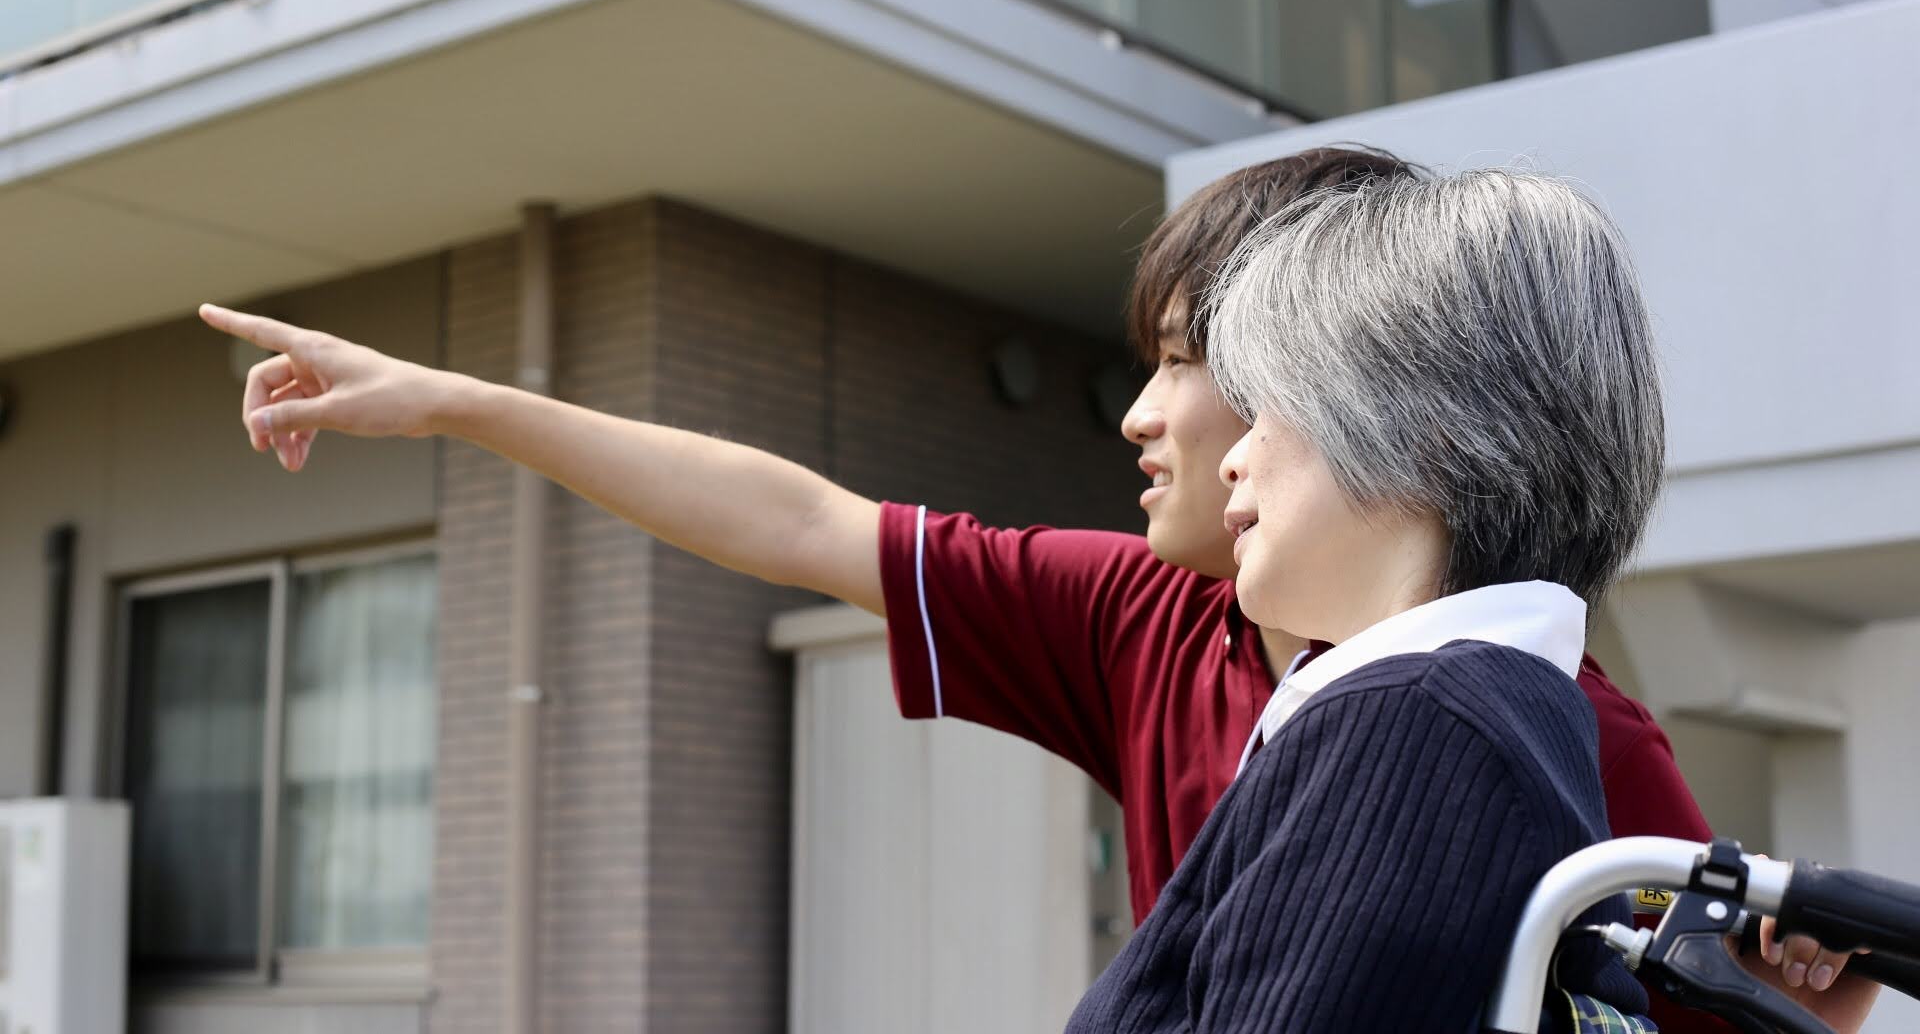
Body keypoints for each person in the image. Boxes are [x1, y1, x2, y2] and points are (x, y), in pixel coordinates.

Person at [197, 149, 1855, 1026]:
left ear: (1387, 402)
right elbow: (792, 518)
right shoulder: (1164, 620)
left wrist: (1784, 994)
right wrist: (458, 403)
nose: (1146, 416)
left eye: (1204, 367)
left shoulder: (1512, 735)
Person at [1063, 166, 1876, 1033]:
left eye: (1270, 408)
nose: (1236, 457)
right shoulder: (1494, 714)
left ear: (1428, 429)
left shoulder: (1411, 726)